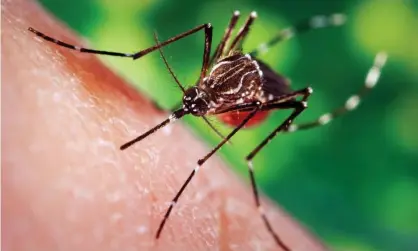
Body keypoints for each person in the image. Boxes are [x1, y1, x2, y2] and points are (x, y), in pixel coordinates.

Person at [2, 1, 326, 250]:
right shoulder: (207, 80)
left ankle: (250, 161)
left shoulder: (232, 97)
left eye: (194, 102)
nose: (190, 104)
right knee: (219, 25)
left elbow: (278, 101)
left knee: (300, 98)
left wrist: (205, 163)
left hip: (254, 98)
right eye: (191, 97)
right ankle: (130, 55)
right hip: (233, 79)